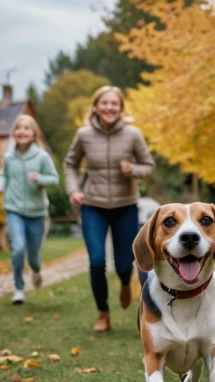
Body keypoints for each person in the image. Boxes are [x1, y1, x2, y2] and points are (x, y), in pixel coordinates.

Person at [63, 86, 155, 332]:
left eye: (114, 103)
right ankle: (103, 312)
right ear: (95, 107)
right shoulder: (83, 135)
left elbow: (148, 166)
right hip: (93, 205)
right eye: (104, 103)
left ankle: (125, 283)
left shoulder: (133, 134)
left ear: (121, 108)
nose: (109, 107)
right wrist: (74, 190)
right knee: (96, 261)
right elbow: (70, 164)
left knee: (125, 264)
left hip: (125, 206)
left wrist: (132, 170)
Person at [0, 114, 59, 305]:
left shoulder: (42, 157)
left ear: (34, 133)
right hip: (13, 209)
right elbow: (4, 176)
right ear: (14, 133)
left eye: (26, 128)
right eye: (18, 128)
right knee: (17, 248)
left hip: (37, 213)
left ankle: (36, 270)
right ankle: (19, 289)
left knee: (33, 257)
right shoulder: (8, 157)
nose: (22, 131)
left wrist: (39, 178)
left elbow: (54, 178)